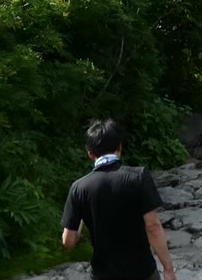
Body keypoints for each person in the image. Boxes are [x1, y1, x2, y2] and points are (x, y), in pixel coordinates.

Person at [61, 120, 177, 280]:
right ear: (120, 147)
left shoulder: (79, 188)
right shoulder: (139, 177)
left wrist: (80, 216)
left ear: (90, 153)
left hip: (103, 275)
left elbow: (68, 241)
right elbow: (153, 227)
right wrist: (168, 269)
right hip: (142, 272)